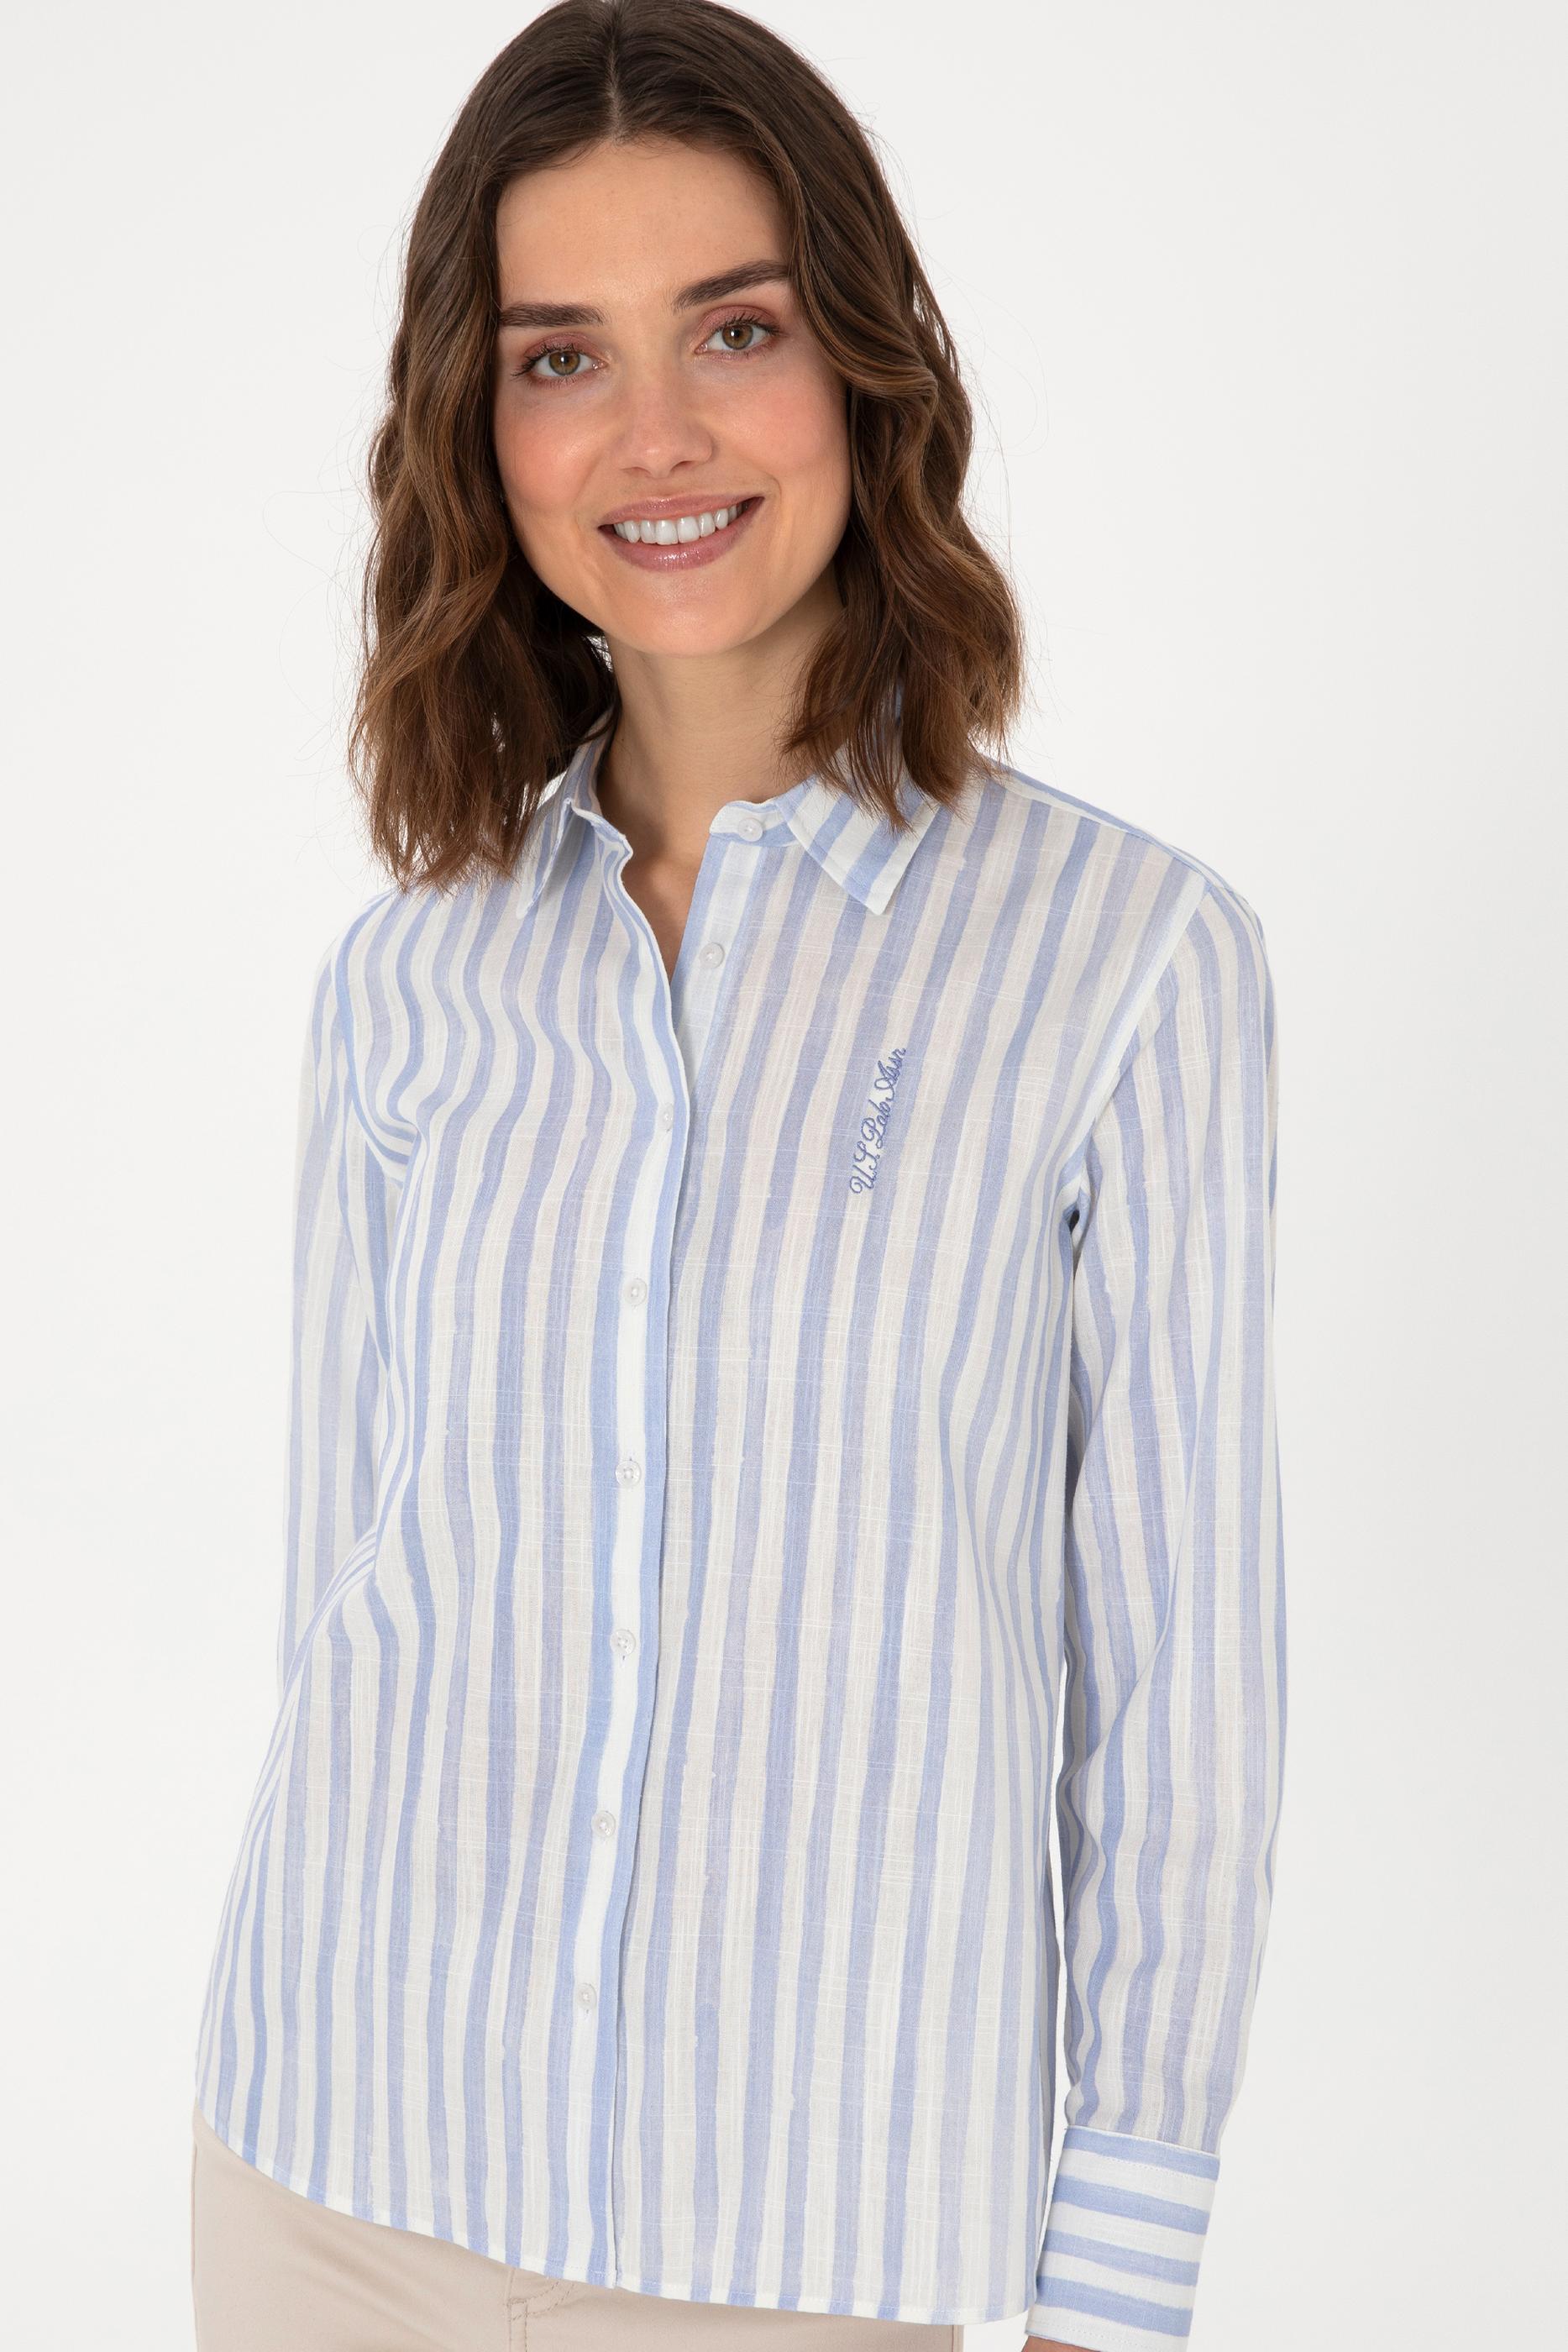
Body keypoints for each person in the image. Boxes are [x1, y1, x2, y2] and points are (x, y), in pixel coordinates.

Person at [188, 3, 1287, 2347]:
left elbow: (1177, 1682)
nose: (655, 435)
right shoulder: (409, 975)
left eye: (737, 328)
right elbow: (337, 1588)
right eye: (559, 357)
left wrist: (1118, 2266)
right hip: (332, 2170)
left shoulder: (1124, 961)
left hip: (808, 2234)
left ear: (866, 365)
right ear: (480, 433)